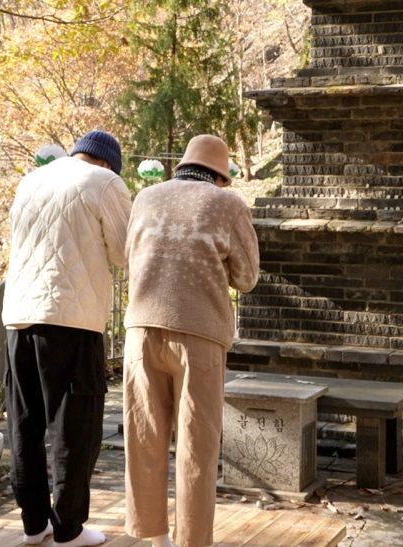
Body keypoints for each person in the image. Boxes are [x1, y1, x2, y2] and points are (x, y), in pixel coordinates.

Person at [122, 134, 260, 547]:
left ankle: (154, 538)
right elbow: (248, 278)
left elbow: (131, 254)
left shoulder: (145, 196)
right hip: (199, 335)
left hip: (141, 329)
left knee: (143, 437)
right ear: (221, 175)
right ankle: (191, 543)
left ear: (182, 164)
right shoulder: (228, 204)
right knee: (197, 447)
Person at [2, 130, 132, 547]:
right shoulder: (106, 183)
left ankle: (33, 524)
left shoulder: (31, 179)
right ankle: (69, 528)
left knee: (25, 424)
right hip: (72, 320)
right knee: (75, 426)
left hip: (20, 318)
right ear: (108, 162)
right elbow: (127, 251)